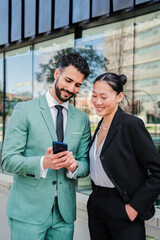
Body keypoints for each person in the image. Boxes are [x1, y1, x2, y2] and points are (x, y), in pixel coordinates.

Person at [2, 52, 91, 240]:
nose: (71, 89)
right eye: (68, 80)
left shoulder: (82, 119)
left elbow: (85, 163)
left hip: (64, 216)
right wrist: (43, 163)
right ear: (56, 73)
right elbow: (7, 160)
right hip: (27, 212)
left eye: (77, 85)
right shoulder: (24, 110)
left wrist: (74, 166)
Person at [87, 72, 160, 240]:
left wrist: (134, 207)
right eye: (94, 95)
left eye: (103, 97)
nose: (97, 102)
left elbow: (158, 171)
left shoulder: (131, 125)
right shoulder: (99, 125)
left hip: (123, 207)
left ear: (119, 96)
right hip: (97, 205)